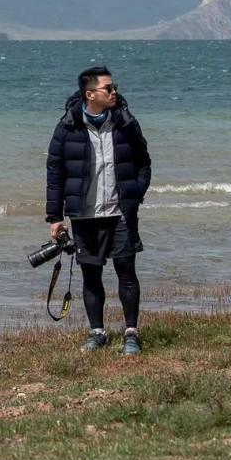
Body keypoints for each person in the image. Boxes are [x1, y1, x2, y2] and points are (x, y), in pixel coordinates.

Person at [45, 67, 152, 355]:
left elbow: (144, 161)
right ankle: (97, 332)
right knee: (91, 276)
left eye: (114, 86)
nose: (114, 91)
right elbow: (55, 173)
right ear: (90, 94)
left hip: (121, 213)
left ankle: (131, 333)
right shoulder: (68, 127)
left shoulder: (126, 123)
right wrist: (55, 217)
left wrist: (135, 194)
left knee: (126, 272)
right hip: (84, 215)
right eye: (108, 88)